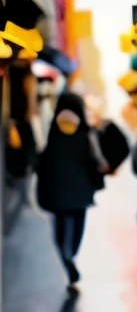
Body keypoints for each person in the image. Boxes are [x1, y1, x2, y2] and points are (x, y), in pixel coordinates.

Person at [36, 91, 109, 291]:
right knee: (77, 230)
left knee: (60, 231)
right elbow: (99, 162)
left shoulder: (51, 130)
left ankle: (68, 261)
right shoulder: (86, 134)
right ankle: (72, 257)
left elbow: (41, 160)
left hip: (56, 192)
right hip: (81, 192)